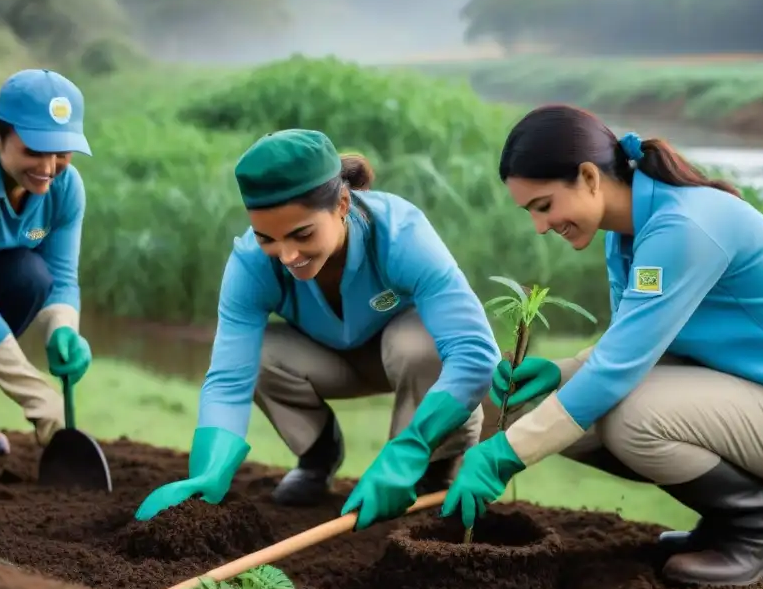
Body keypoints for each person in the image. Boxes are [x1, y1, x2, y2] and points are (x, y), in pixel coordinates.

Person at [440, 104, 763, 587]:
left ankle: (762, 525)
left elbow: (619, 371)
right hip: (745, 393)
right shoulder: (625, 234)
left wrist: (501, 456)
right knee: (552, 408)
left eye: (544, 205)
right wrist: (561, 372)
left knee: (629, 415)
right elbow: (635, 343)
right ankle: (725, 521)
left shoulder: (683, 227)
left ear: (589, 177)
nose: (540, 225)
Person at [135, 129, 500, 527]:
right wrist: (207, 473)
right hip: (328, 358)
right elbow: (228, 379)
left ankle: (433, 465)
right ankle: (318, 454)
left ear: (342, 203)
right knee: (255, 355)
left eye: (302, 233)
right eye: (267, 238)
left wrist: (410, 447)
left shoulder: (401, 235)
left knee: (420, 344)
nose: (287, 255)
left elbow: (475, 352)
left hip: (409, 361)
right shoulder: (250, 264)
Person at [0, 68, 94, 456]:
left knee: (28, 277)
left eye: (61, 153)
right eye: (33, 150)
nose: (48, 168)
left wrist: (63, 328)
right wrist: (35, 394)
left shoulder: (66, 187)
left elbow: (60, 276)